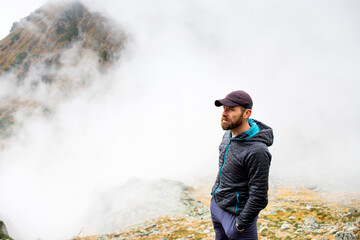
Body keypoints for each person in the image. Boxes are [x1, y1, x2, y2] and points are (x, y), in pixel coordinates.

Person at [211, 90, 274, 240]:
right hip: (217, 208)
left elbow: (259, 196)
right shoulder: (228, 134)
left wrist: (240, 224)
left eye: (231, 109)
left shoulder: (257, 151)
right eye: (224, 108)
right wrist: (214, 198)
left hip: (236, 219)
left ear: (246, 114)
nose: (224, 113)